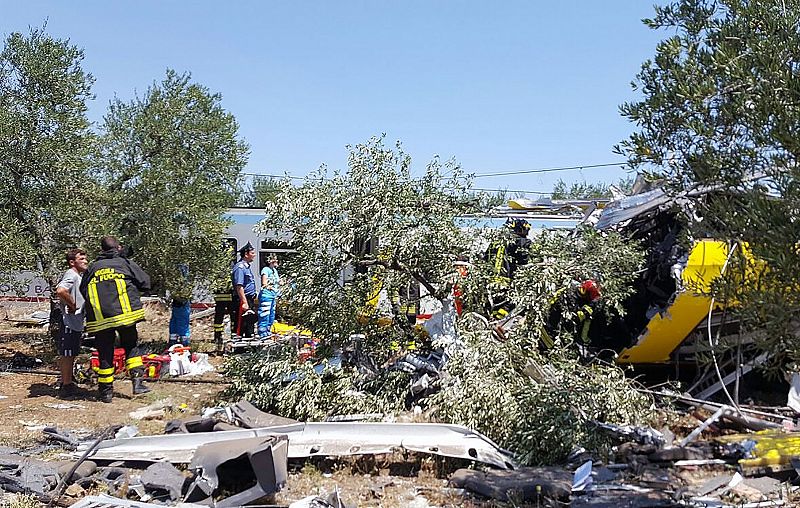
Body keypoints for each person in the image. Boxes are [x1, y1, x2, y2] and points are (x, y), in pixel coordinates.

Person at [79, 236, 152, 403]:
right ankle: (138, 384)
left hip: (100, 319)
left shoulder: (93, 267)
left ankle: (105, 392)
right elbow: (145, 282)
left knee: (105, 353)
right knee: (131, 347)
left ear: (102, 250)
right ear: (118, 247)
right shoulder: (125, 263)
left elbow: (83, 290)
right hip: (125, 316)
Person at [54, 248, 88, 399]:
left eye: (86, 258)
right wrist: (73, 305)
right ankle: (66, 385)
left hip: (75, 323)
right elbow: (61, 290)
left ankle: (68, 381)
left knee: (72, 353)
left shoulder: (77, 277)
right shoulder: (71, 275)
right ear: (72, 262)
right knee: (67, 354)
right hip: (69, 322)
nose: (85, 261)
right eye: (81, 259)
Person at [484, 218, 532, 319]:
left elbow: (485, 259)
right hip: (508, 282)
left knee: (494, 307)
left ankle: (492, 322)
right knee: (511, 306)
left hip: (491, 282)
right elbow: (525, 262)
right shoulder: (522, 242)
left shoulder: (496, 242)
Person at [542, 279, 602, 352]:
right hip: (549, 336)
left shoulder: (567, 289)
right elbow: (573, 324)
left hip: (543, 320)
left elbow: (550, 300)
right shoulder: (578, 307)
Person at [232, 242, 257, 339]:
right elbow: (239, 286)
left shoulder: (247, 267)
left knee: (248, 323)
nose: (254, 255)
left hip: (249, 298)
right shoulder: (240, 267)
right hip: (243, 299)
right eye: (252, 253)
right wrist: (244, 302)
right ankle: (239, 348)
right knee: (241, 324)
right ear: (246, 254)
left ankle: (248, 346)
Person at [257, 254, 280, 338]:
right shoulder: (265, 270)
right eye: (275, 260)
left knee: (271, 314)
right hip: (266, 295)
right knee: (264, 313)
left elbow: (278, 281)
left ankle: (268, 330)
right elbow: (264, 282)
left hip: (273, 295)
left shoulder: (274, 270)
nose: (277, 262)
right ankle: (262, 332)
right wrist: (268, 286)